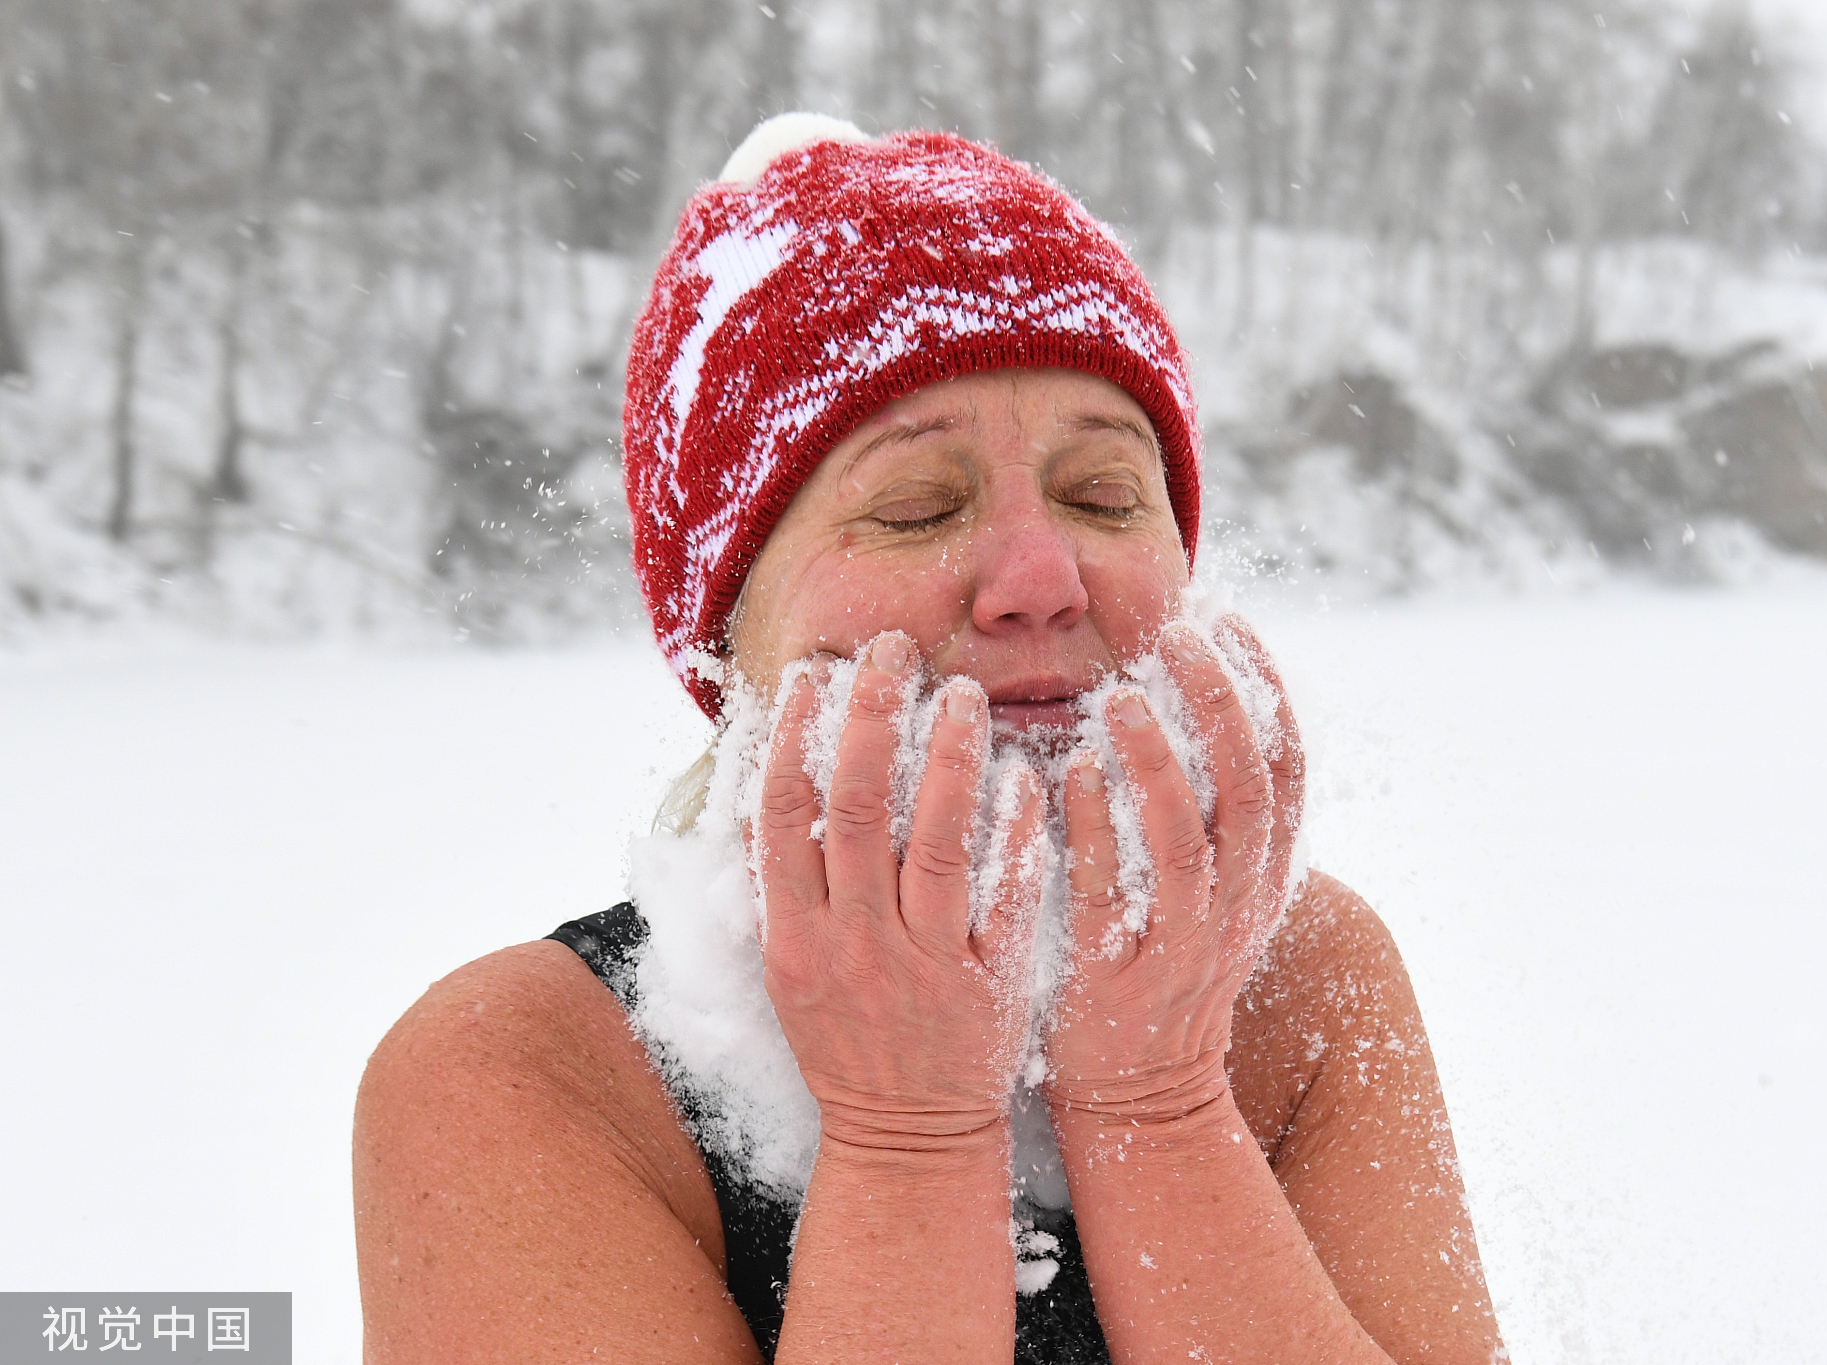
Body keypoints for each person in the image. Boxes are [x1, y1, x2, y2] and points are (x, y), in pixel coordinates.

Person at [353, 114, 1509, 1365]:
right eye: (914, 508)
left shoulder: (1297, 981)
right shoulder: (524, 1076)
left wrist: (1156, 1098)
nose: (1039, 578)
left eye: (1104, 495)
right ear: (730, 634)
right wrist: (909, 1128)